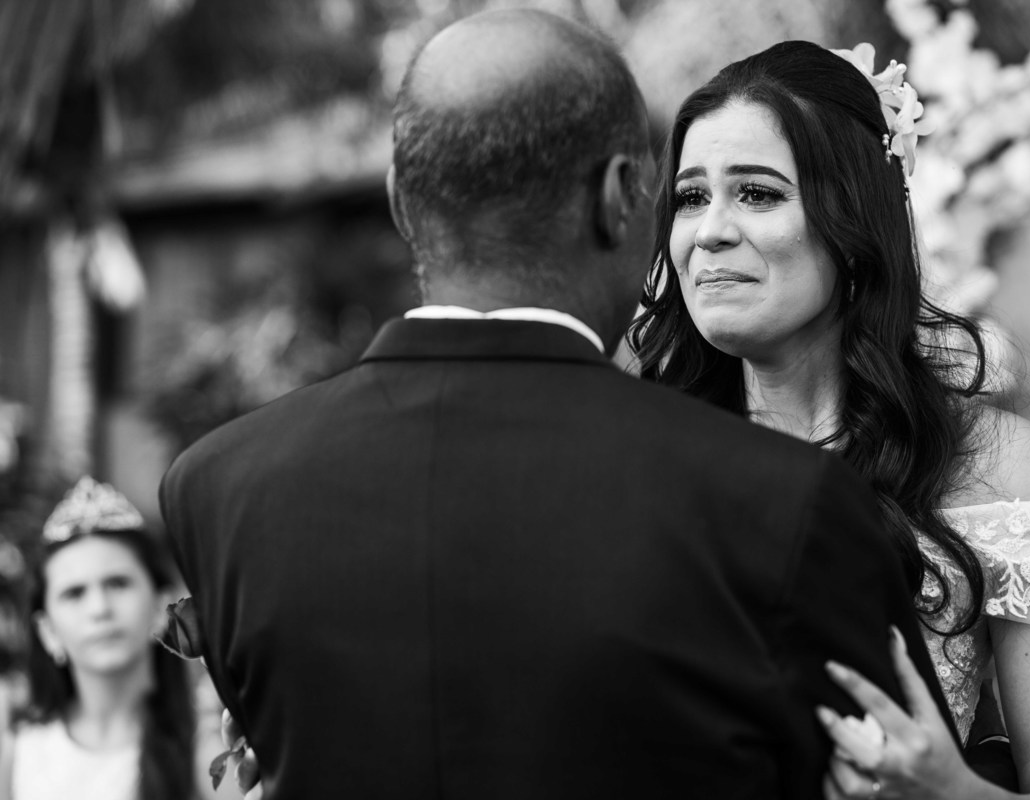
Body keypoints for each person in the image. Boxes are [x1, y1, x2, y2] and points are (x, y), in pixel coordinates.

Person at [159, 9, 956, 800]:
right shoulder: (779, 503)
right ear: (620, 198)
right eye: (682, 197)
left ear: (402, 201)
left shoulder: (217, 489)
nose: (709, 233)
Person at [630, 40, 1030, 799]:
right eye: (690, 197)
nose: (709, 231)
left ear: (853, 221)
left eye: (756, 193)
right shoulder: (636, 453)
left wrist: (949, 790)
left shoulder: (997, 468)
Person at [0, 477, 197, 800]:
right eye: (74, 593)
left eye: (118, 584)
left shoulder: (211, 752)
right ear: (47, 631)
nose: (99, 608)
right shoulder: (18, 753)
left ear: (162, 606)